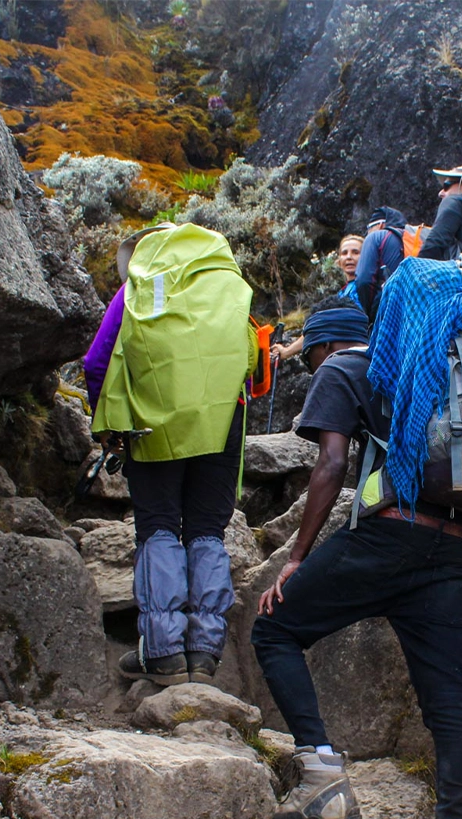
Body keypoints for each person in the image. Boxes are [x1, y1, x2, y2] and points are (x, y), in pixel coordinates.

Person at [250, 298, 462, 819]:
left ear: (325, 345)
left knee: (275, 629)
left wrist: (296, 557)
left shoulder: (341, 366)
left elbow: (331, 463)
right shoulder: (437, 365)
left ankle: (323, 781)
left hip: (389, 535)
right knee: (446, 697)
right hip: (453, 547)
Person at [89, 223, 253, 687]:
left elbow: (97, 360)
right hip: (224, 420)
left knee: (159, 525)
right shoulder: (222, 287)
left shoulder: (138, 289)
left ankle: (162, 654)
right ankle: (203, 653)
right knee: (207, 531)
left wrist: (110, 425)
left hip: (153, 418)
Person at [272, 234, 364, 362]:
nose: (349, 257)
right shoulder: (343, 293)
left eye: (355, 252)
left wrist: (287, 351)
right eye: (344, 253)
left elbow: (320, 326)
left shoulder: (366, 288)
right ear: (338, 261)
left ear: (366, 257)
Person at [355, 206, 409, 320]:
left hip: (386, 311)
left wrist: (368, 315)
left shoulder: (376, 237)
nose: (367, 233)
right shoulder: (412, 240)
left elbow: (364, 280)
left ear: (380, 225)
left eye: (368, 228)